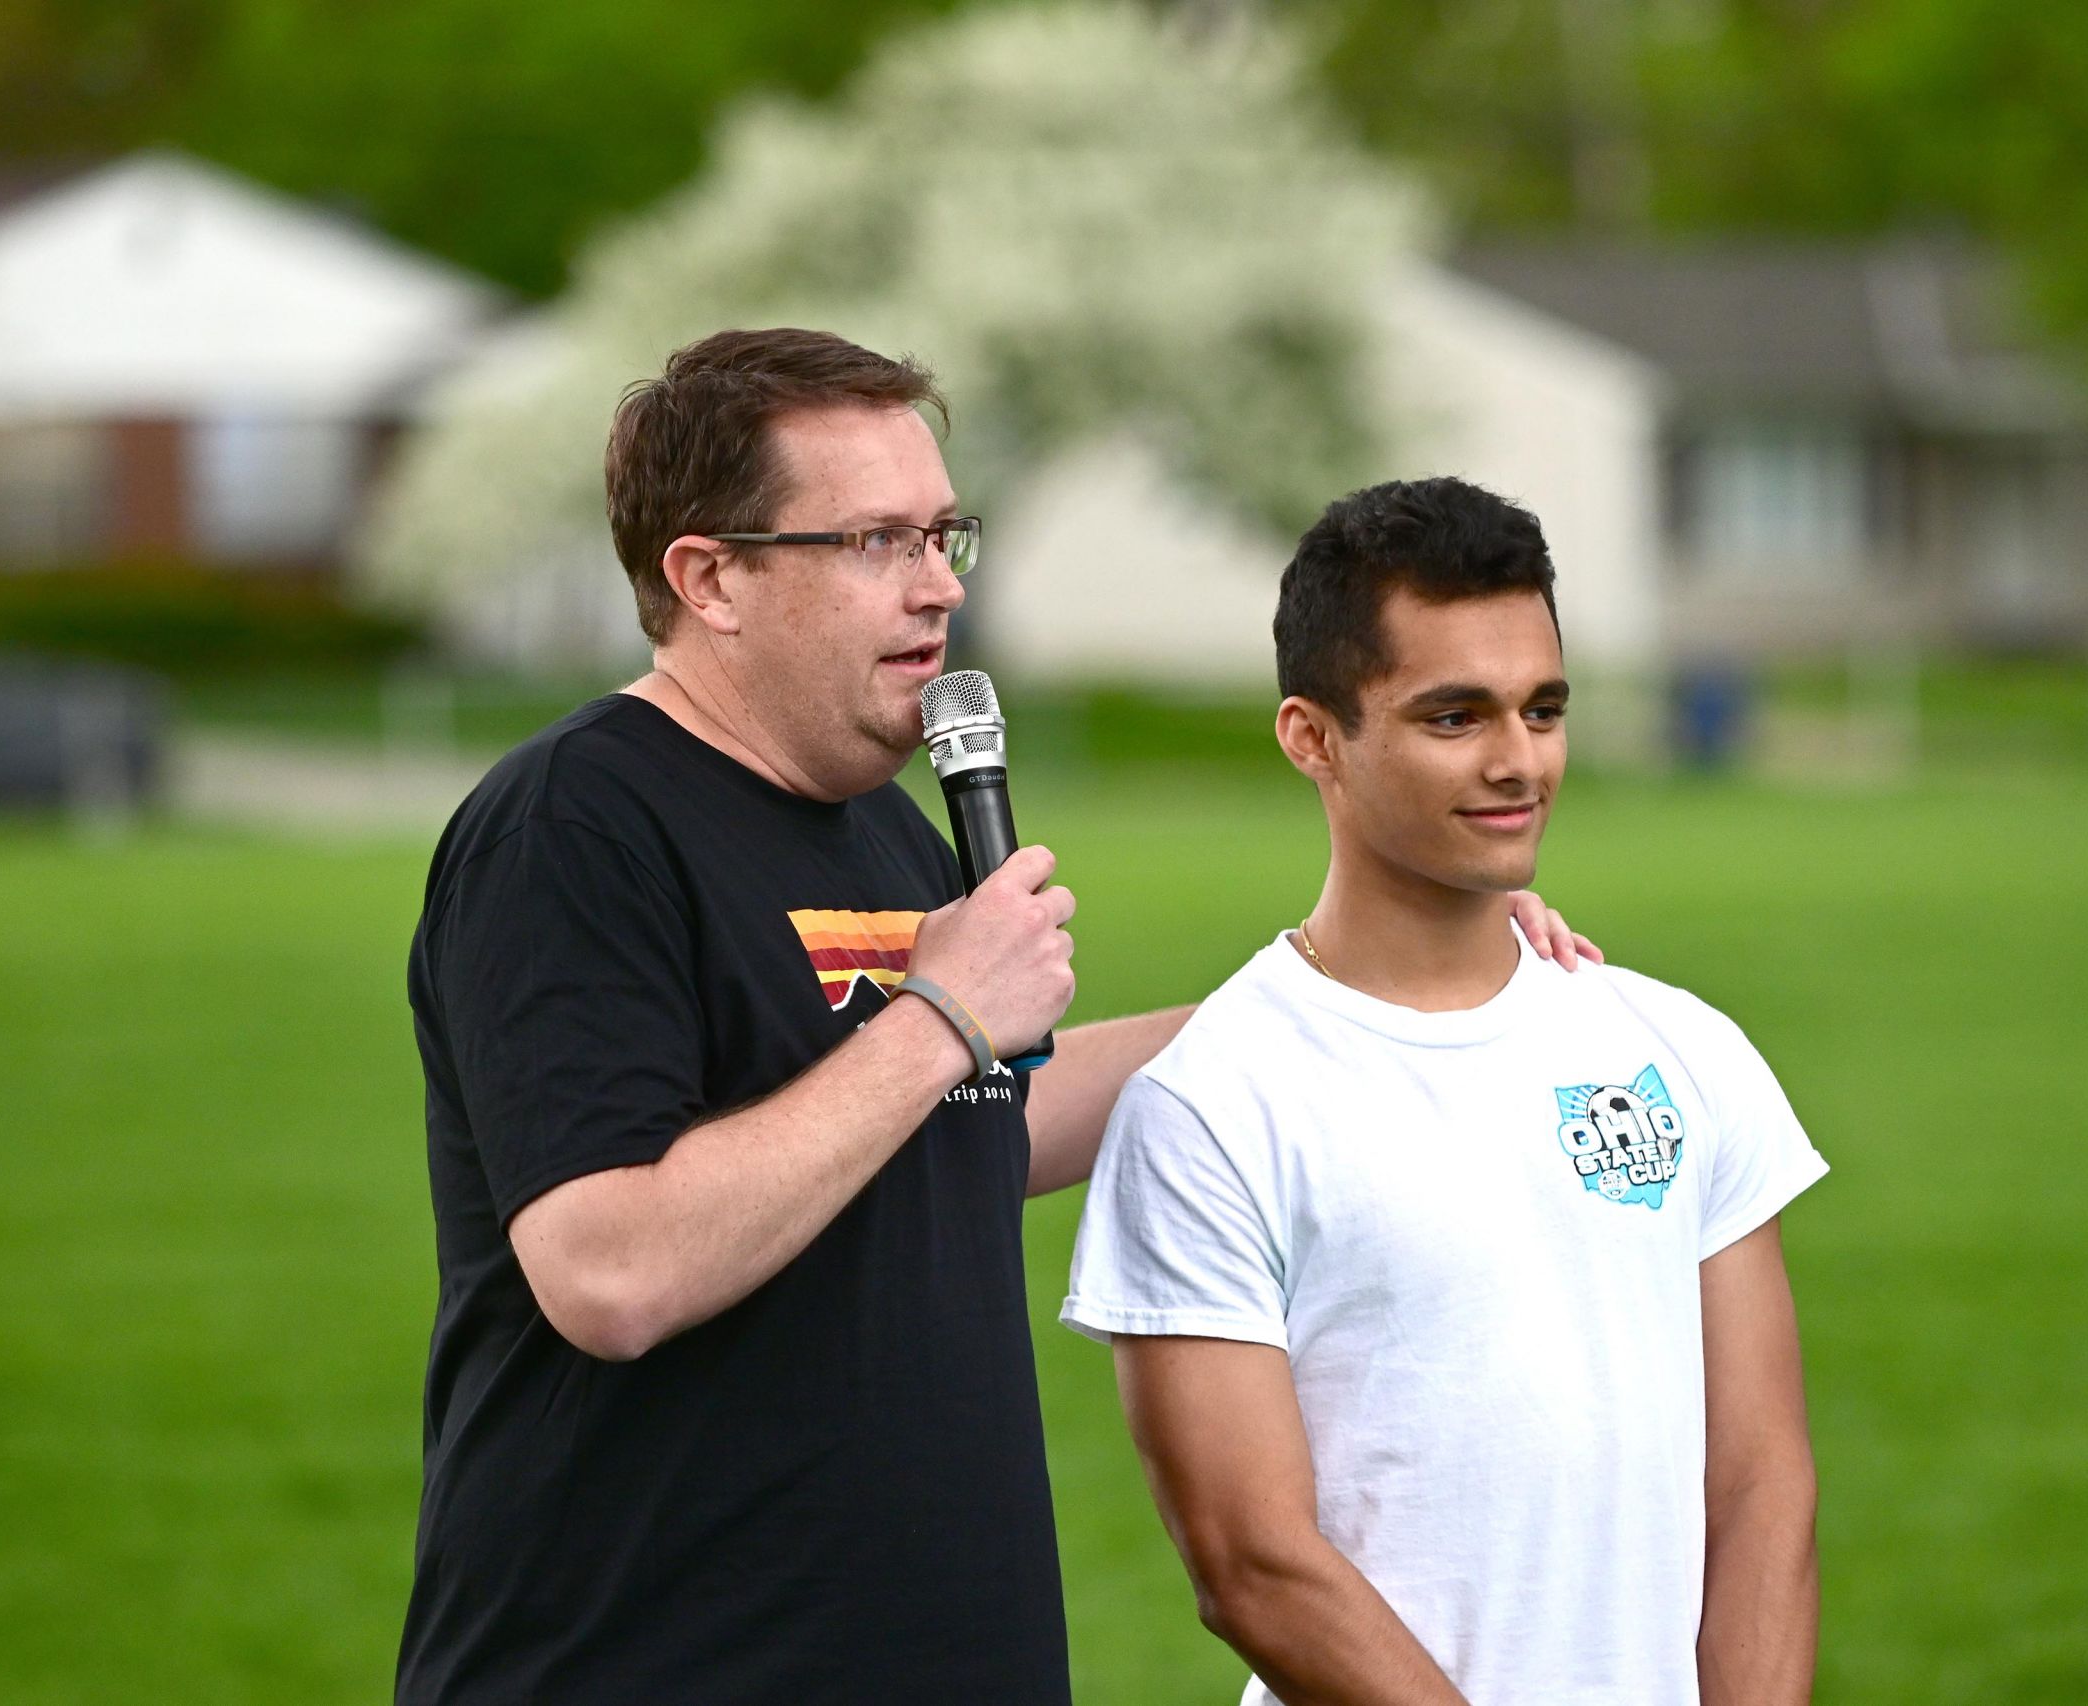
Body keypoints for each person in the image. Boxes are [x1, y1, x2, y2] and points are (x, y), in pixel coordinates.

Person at [396, 330, 1595, 1703]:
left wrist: (1354, 993)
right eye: (877, 541)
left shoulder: (884, 839)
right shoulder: (577, 827)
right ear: (710, 576)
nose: (940, 581)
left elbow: (978, 1127)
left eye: (944, 530)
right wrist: (945, 1011)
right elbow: (609, 1270)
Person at [1063, 476, 1827, 1706]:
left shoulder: (1676, 1045)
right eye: (1454, 716)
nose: (1517, 759)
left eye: (1544, 707)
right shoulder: (1208, 1104)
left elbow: (1758, 1479)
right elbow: (1251, 1563)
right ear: (1311, 736)